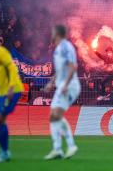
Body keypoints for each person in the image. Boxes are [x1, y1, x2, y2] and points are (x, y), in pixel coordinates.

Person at [0, 30, 24, 163]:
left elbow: (12, 69)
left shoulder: (1, 52)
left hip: (12, 90)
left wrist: (11, 89)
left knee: (0, 119)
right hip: (2, 92)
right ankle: (3, 151)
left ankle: (5, 152)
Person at [43, 25, 81, 159]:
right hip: (61, 86)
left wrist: (65, 84)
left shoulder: (66, 47)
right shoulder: (58, 49)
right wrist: (51, 82)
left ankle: (67, 147)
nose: (51, 34)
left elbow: (72, 66)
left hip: (69, 86)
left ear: (57, 33)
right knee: (54, 116)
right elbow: (60, 70)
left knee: (55, 115)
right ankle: (60, 149)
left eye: (53, 32)